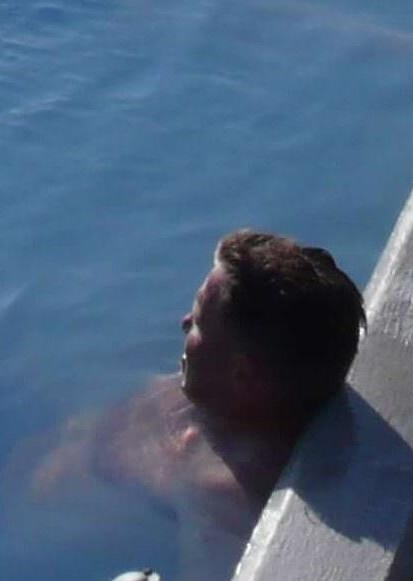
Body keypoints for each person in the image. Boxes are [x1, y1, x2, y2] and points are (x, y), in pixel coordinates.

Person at [23, 231, 367, 545]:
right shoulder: (218, 391)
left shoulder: (222, 491)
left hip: (39, 533)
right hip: (57, 456)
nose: (184, 323)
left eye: (199, 321)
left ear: (242, 373)